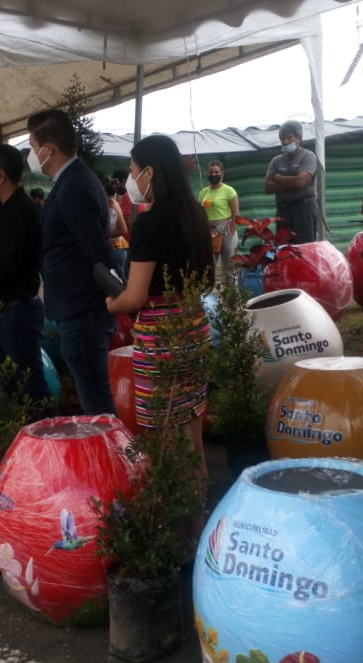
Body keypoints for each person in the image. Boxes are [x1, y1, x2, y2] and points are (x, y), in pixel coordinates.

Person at [106, 134, 214, 475]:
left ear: (149, 172)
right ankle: (199, 504)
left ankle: (175, 506)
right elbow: (206, 279)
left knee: (165, 433)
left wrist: (111, 303)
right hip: (194, 326)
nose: (130, 180)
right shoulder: (195, 213)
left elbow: (135, 296)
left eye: (132, 171)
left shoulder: (151, 222)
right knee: (192, 429)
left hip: (161, 339)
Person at [27, 109, 116, 415]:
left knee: (96, 401)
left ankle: (110, 446)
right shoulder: (71, 181)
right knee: (92, 395)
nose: (31, 155)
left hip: (83, 309)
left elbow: (96, 251)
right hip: (77, 308)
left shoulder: (75, 186)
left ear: (48, 149)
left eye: (32, 146)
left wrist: (116, 295)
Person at [0, 143, 52, 406]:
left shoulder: (24, 212)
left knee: (29, 385)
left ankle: (47, 430)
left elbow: (5, 264)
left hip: (17, 310)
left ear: (0, 175)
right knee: (3, 385)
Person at [264, 120, 321, 244]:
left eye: (289, 138)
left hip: (303, 209)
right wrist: (293, 182)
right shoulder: (276, 161)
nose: (285, 142)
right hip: (283, 211)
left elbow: (300, 182)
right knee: (283, 248)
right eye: (282, 139)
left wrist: (278, 178)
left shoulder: (308, 156)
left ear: (299, 138)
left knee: (304, 248)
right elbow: (267, 187)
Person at [199, 160, 240, 279]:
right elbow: (200, 212)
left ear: (222, 173)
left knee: (229, 266)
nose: (213, 175)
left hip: (225, 227)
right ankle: (209, 289)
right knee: (208, 266)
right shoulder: (203, 192)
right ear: (207, 174)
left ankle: (232, 290)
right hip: (210, 230)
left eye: (216, 172)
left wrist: (230, 232)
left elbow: (236, 215)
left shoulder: (229, 191)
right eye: (211, 172)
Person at [106, 179, 130, 282]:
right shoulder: (110, 204)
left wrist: (103, 234)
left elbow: (123, 229)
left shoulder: (112, 205)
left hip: (117, 248)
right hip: (115, 248)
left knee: (120, 280)